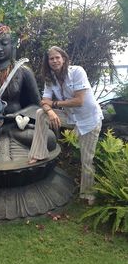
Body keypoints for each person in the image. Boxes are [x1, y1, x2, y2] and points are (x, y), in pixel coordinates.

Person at [28, 46, 104, 205]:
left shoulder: (77, 71)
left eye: (57, 57)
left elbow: (79, 100)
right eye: (51, 59)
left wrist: (54, 103)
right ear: (47, 62)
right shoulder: (50, 78)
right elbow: (44, 101)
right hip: (70, 117)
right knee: (40, 114)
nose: (55, 61)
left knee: (87, 159)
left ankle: (88, 194)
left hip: (89, 120)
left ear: (64, 59)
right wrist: (50, 111)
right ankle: (39, 153)